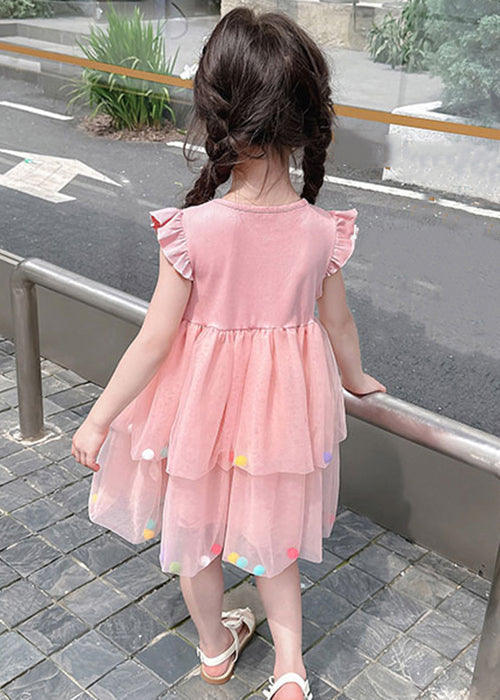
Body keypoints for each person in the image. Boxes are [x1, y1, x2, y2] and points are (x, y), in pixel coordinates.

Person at [71, 6, 386, 699]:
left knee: (195, 537)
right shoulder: (320, 231)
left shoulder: (193, 230)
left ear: (215, 113)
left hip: (200, 421)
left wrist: (98, 418)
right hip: (278, 425)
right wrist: (356, 378)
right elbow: (338, 323)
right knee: (275, 543)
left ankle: (215, 649)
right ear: (306, 118)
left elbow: (155, 339)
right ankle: (290, 669)